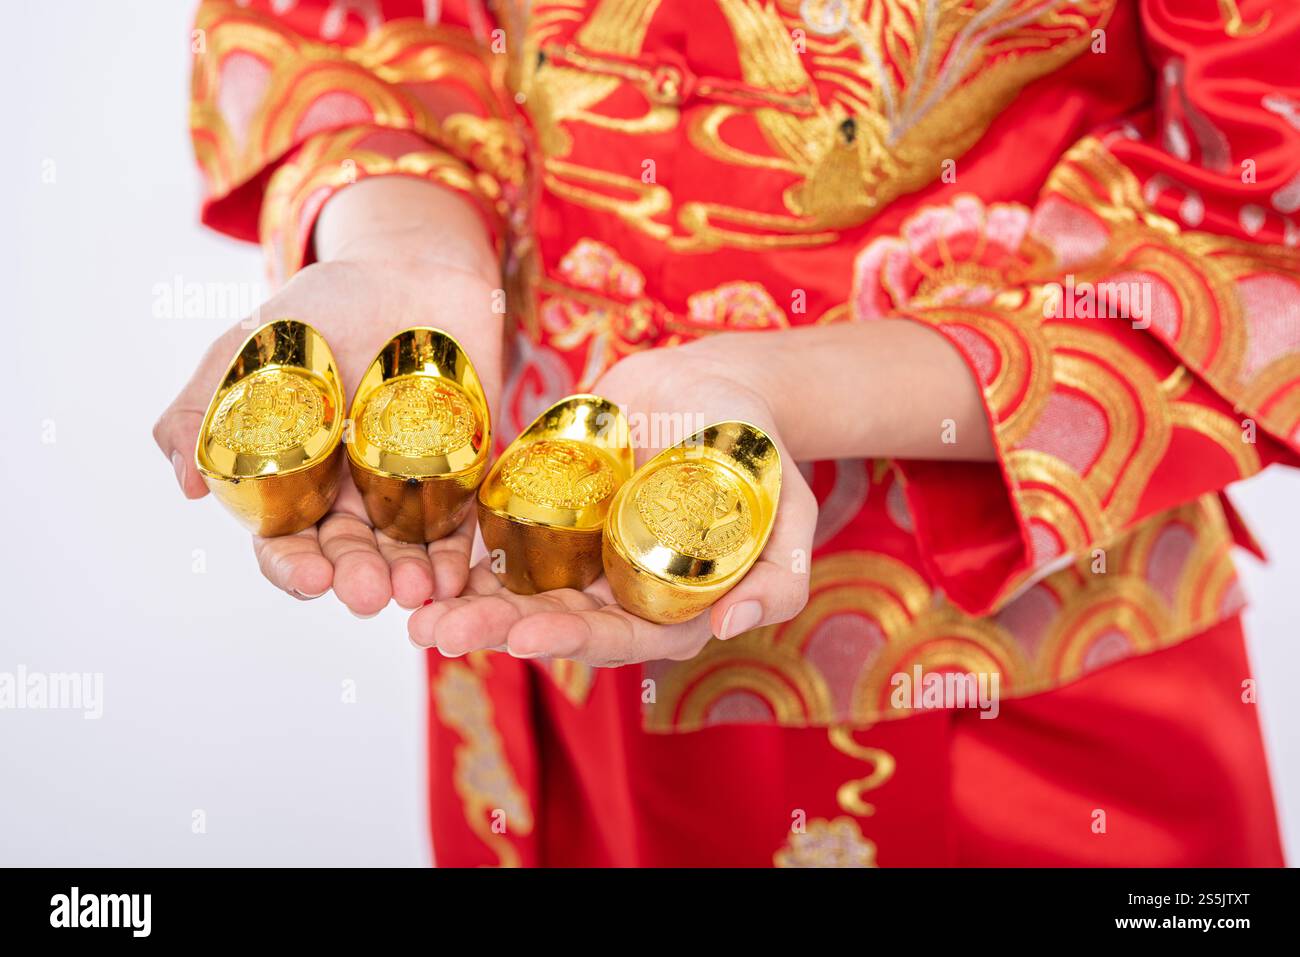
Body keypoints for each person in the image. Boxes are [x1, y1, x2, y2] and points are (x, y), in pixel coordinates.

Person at [155, 0, 1298, 866]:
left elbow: (1264, 203)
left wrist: (793, 388)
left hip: (1007, 671)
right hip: (528, 595)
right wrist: (401, 244)